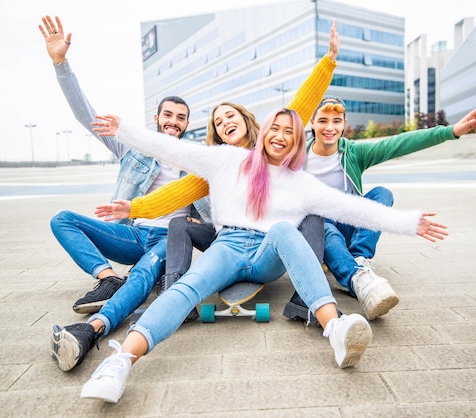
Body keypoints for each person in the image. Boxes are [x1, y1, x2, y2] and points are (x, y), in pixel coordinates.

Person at [77, 107, 448, 403]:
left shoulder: (302, 183)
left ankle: (333, 328)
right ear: (265, 130)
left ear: (298, 141)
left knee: (285, 229)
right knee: (185, 287)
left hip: (269, 252)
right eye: (276, 128)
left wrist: (410, 222)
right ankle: (120, 361)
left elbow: (355, 209)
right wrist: (123, 130)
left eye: (291, 132)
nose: (281, 137)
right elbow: (173, 149)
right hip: (228, 244)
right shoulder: (227, 161)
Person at [100, 20, 340, 326]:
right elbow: (177, 193)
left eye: (230, 115)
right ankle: (174, 298)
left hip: (268, 242)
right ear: (218, 135)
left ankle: (304, 302)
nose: (224, 122)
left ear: (245, 118)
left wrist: (328, 62)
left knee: (310, 213)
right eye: (218, 122)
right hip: (228, 241)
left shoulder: (269, 150)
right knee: (179, 224)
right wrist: (135, 207)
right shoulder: (219, 165)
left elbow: (299, 110)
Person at [39, 15, 210, 372]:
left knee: (144, 273)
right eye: (168, 115)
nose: (173, 122)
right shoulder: (133, 148)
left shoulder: (196, 160)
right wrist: (61, 64)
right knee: (63, 220)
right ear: (157, 117)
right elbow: (87, 117)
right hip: (132, 233)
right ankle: (106, 278)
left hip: (170, 238)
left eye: (181, 118)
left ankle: (97, 326)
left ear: (186, 124)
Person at [282, 98, 476, 322]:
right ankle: (357, 279)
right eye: (323, 121)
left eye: (336, 121)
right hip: (317, 232)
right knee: (321, 220)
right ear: (312, 123)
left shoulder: (353, 153)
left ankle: (359, 259)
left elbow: (399, 143)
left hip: (347, 226)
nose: (329, 128)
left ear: (344, 124)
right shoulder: (297, 158)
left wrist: (451, 131)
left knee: (382, 194)